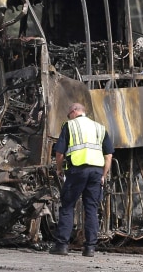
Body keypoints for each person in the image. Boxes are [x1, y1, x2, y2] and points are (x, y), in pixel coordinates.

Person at [49, 102, 114, 258]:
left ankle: (62, 246)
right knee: (91, 209)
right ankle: (90, 248)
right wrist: (104, 175)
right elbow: (108, 155)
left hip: (77, 170)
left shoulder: (69, 126)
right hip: (96, 172)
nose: (68, 117)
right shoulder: (100, 128)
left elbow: (59, 153)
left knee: (67, 206)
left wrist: (59, 169)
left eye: (69, 114)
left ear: (74, 112)